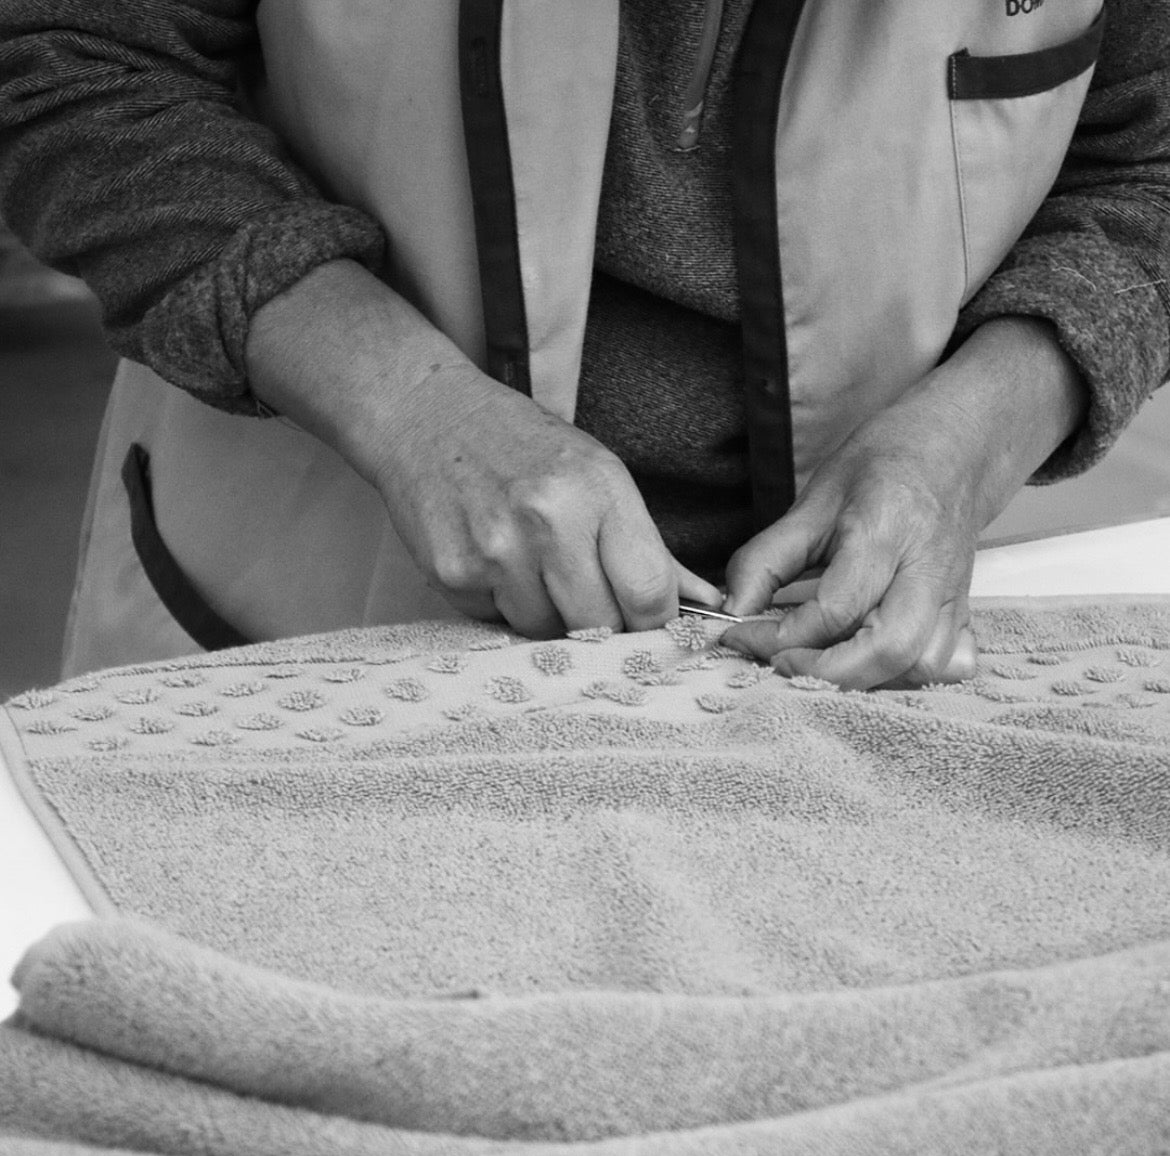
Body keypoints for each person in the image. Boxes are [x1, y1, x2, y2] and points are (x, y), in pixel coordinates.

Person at [0, 1, 1166, 691]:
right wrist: (403, 403)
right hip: (306, 620)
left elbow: (1151, 158)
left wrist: (969, 441)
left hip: (853, 676)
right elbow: (73, 57)